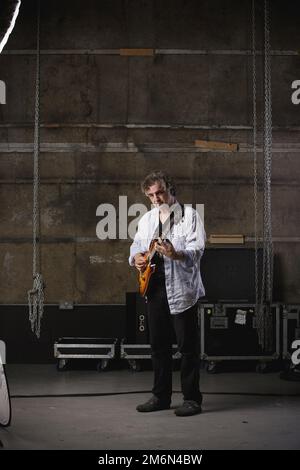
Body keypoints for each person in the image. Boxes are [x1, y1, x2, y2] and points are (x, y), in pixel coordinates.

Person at [128, 171, 206, 416]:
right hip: (154, 289)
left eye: (159, 192)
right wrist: (137, 259)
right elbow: (136, 246)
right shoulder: (148, 219)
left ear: (170, 189)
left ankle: (192, 399)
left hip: (182, 291)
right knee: (158, 347)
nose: (155, 198)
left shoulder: (190, 216)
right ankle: (160, 397)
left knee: (187, 348)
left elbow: (198, 249)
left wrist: (176, 254)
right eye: (150, 194)